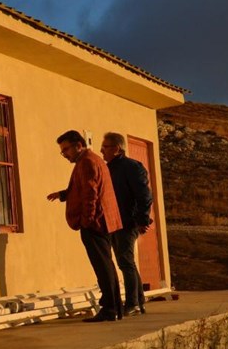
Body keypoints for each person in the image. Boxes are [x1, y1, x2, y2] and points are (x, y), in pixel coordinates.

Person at [46, 130, 123, 322]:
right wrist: (64, 194)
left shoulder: (87, 162)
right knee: (106, 265)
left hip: (95, 222)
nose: (64, 154)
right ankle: (115, 307)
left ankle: (109, 309)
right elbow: (83, 188)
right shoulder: (93, 159)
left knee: (102, 266)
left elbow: (91, 194)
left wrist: (87, 221)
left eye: (66, 150)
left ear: (78, 145)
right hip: (102, 220)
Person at [101, 132, 153, 316]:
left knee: (125, 262)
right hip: (114, 221)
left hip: (127, 222)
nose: (101, 150)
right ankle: (138, 302)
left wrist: (142, 220)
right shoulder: (109, 169)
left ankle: (132, 303)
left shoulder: (131, 167)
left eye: (105, 147)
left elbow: (144, 195)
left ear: (117, 148)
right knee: (126, 261)